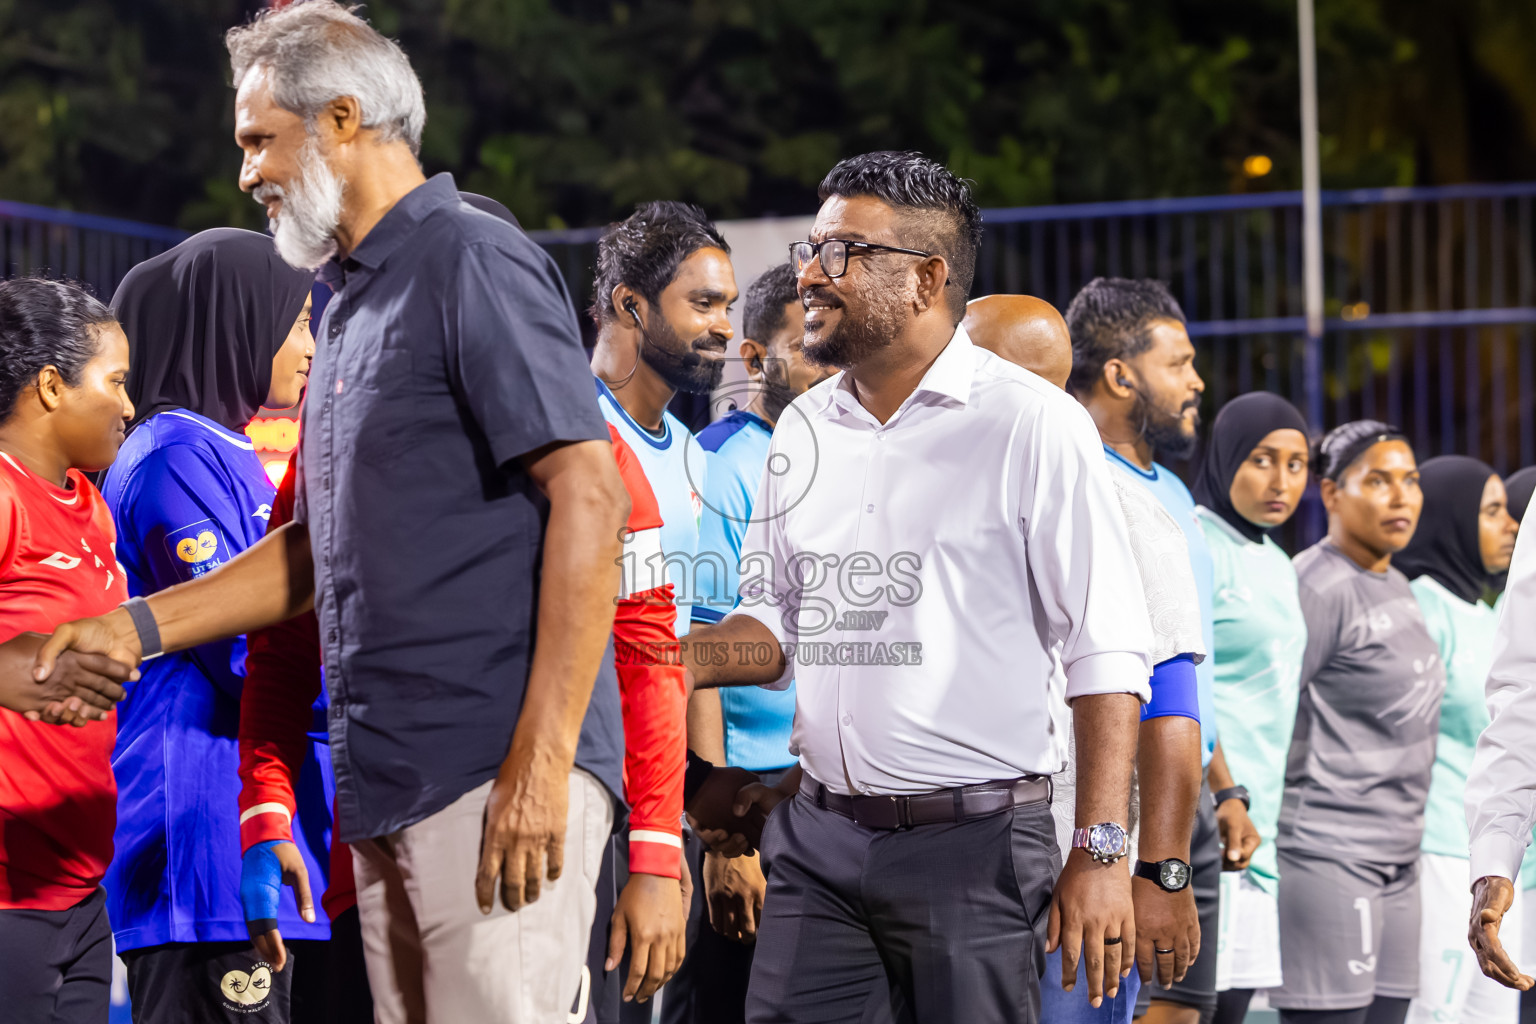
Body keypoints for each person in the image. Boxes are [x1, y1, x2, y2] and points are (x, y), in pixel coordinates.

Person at [35, 2, 633, 1019]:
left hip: (490, 772)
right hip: (387, 788)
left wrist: (541, 760)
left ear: (344, 119)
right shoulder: (349, 302)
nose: (246, 173)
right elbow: (310, 554)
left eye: (259, 139)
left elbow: (590, 492)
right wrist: (132, 627)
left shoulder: (467, 259)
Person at [682, 150, 1154, 1023]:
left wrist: (1100, 853)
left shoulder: (1031, 423)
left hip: (973, 849)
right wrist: (673, 660)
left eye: (841, 253)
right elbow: (776, 623)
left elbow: (1108, 650)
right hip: (817, 838)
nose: (809, 276)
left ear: (926, 278)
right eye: (809, 248)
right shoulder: (807, 428)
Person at [100, 226, 333, 1024]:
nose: (310, 342)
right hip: (201, 842)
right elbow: (242, 653)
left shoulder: (224, 451)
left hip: (253, 835)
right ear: (236, 322)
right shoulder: (170, 456)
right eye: (296, 318)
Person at [968, 294, 1206, 1024]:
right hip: (954, 868)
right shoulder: (946, 499)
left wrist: (1160, 872)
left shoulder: (1126, 510)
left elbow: (1171, 711)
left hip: (1072, 876)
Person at [666, 261, 834, 1024]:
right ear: (759, 360)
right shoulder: (727, 463)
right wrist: (721, 841)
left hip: (815, 786)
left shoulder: (834, 448)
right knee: (727, 997)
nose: (825, 359)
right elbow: (702, 640)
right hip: (746, 792)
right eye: (806, 344)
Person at [1065, 276, 1235, 1024]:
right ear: (1120, 373)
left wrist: (1222, 788)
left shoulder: (1169, 490)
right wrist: (1147, 861)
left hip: (1180, 797)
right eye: (1181, 362)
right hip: (1111, 820)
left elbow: (1189, 666)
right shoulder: (1081, 484)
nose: (1196, 382)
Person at [583, 199, 737, 1022]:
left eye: (728, 307)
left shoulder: (691, 458)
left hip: (655, 795)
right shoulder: (569, 430)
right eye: (703, 304)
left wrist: (699, 805)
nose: (723, 327)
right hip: (579, 780)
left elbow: (687, 646)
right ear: (631, 305)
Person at [1271, 420, 1441, 1024]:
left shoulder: (1396, 583)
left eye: (1411, 480)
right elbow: (1271, 717)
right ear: (1331, 493)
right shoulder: (1316, 587)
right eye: (1378, 480)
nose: (1401, 497)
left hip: (1401, 857)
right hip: (1329, 854)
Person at [0, 278, 138, 1024]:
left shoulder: (90, 505)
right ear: (51, 386)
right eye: (114, 381)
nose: (128, 404)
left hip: (81, 892)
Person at [1189, 393, 1312, 1024]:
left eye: (1297, 464)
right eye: (1264, 460)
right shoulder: (1200, 544)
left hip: (1257, 832)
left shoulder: (1279, 561)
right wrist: (1225, 792)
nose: (1282, 481)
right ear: (1228, 454)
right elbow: (1186, 683)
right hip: (1212, 815)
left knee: (1233, 1006)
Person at [1392, 457, 1519, 1023]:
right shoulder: (1421, 606)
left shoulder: (1490, 614)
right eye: (1492, 512)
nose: (1511, 526)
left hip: (1506, 865)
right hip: (1439, 852)